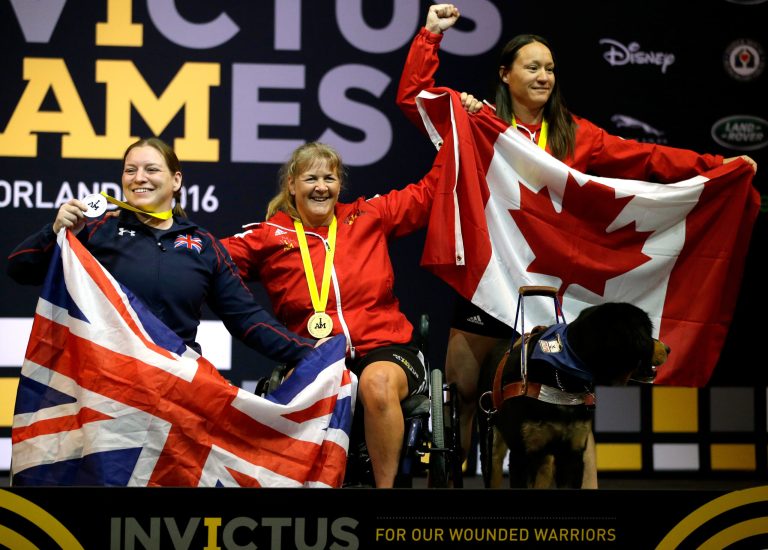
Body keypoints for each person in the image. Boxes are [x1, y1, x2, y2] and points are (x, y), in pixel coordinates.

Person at [396, 3, 759, 487]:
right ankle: (456, 487)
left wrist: (714, 164)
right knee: (461, 394)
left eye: (549, 68)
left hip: (552, 292)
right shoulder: (475, 124)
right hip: (491, 278)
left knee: (571, 408)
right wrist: (430, 36)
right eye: (532, 66)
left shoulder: (575, 134)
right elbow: (415, 97)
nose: (544, 75)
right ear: (505, 74)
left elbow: (645, 157)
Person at [220, 141, 445, 488]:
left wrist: (453, 134)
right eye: (311, 178)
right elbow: (203, 257)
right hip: (314, 355)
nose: (321, 187)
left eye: (330, 178)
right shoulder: (269, 237)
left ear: (340, 185)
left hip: (386, 348)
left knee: (376, 384)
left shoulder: (367, 215)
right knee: (308, 389)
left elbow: (431, 191)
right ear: (292, 186)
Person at [7, 137, 318, 365]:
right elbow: (20, 268)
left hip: (177, 387)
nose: (139, 178)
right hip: (106, 387)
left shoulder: (202, 245)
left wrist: (313, 353)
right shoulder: (95, 231)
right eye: (130, 170)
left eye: (151, 169)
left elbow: (247, 320)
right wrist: (55, 230)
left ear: (176, 180)